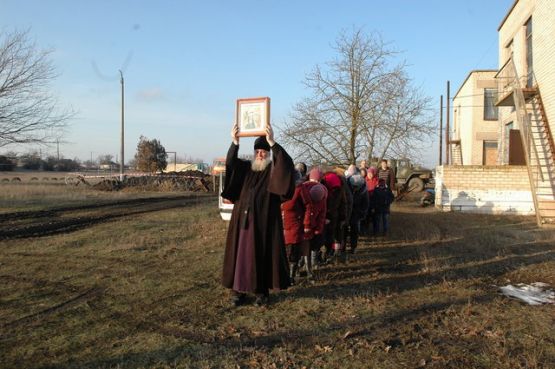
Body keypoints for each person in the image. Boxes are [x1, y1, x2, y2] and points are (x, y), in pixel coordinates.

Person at [221, 122, 295, 307]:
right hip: (242, 223)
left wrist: (272, 142)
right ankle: (238, 292)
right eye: (257, 151)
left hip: (263, 223)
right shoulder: (246, 169)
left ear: (268, 154)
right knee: (240, 257)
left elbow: (286, 164)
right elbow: (230, 163)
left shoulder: (272, 171)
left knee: (261, 256)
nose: (260, 154)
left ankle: (261, 293)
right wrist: (234, 142)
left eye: (264, 151)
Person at [299, 168, 327, 274]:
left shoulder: (303, 188)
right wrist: (319, 228)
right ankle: (308, 266)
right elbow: (322, 213)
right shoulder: (322, 191)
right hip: (308, 224)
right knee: (311, 245)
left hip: (304, 223)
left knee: (305, 245)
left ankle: (303, 266)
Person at [281, 171, 306, 285]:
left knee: (293, 252)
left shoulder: (300, 190)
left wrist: (306, 223)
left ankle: (291, 277)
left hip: (294, 225)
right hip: (281, 225)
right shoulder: (280, 189)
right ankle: (283, 275)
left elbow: (308, 206)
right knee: (283, 252)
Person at [346, 174, 369, 253]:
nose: (355, 188)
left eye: (357, 187)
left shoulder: (363, 191)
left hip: (356, 213)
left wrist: (362, 214)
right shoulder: (346, 187)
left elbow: (365, 204)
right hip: (346, 212)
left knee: (355, 231)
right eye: (354, 186)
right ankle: (342, 248)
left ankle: (353, 247)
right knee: (344, 230)